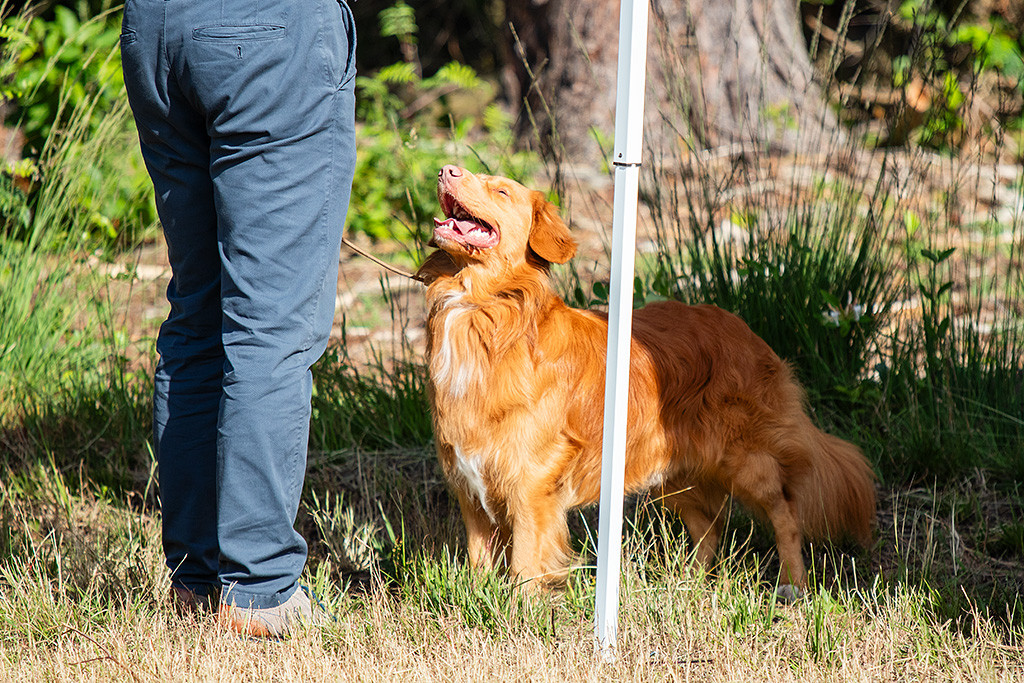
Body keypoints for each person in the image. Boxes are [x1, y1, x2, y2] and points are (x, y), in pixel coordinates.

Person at [120, 0, 357, 637]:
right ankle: (258, 590)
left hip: (157, 29)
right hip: (267, 34)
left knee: (199, 313)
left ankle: (196, 583)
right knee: (269, 327)